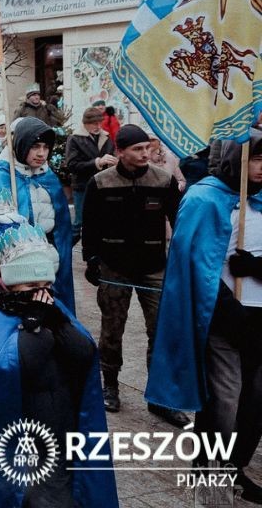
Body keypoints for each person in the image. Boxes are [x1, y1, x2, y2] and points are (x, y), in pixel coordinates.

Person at [0, 223, 115, 507]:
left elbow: (84, 353)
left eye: (45, 286)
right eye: (30, 287)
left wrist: (58, 323)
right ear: (8, 281)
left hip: (61, 430)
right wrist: (34, 325)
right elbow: (11, 364)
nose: (40, 294)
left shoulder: (50, 305)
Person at [148, 132, 262, 494]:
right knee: (224, 397)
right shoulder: (204, 198)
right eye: (256, 158)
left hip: (260, 316)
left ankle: (234, 467)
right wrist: (231, 312)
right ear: (235, 158)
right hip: (221, 315)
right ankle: (209, 467)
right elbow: (192, 263)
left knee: (255, 398)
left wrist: (256, 267)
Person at [80, 124, 186, 426]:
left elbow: (178, 221)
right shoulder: (101, 182)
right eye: (137, 149)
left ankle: (160, 397)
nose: (145, 154)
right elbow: (90, 223)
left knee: (160, 332)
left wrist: (179, 260)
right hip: (115, 269)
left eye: (147, 148)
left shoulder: (163, 180)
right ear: (120, 151)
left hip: (154, 268)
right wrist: (91, 259)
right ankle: (110, 386)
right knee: (112, 330)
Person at [0, 117, 76, 335]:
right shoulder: (1, 179)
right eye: (35, 146)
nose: (41, 153)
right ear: (21, 145)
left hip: (50, 267)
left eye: (46, 147)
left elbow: (62, 228)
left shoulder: (49, 178)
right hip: (15, 271)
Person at [64, 107, 117, 241]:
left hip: (103, 186)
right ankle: (66, 249)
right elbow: (72, 165)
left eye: (99, 123)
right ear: (85, 123)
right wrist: (97, 162)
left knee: (101, 221)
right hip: (83, 186)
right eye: (94, 123)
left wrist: (114, 162)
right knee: (80, 222)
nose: (98, 126)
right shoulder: (75, 138)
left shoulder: (106, 137)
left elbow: (111, 155)